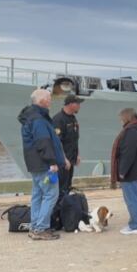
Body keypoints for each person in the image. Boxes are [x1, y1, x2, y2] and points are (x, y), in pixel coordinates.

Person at [18, 89, 69, 241]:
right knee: (51, 194)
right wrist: (52, 162)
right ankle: (40, 229)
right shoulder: (39, 120)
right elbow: (44, 142)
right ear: (42, 101)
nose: (51, 100)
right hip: (44, 164)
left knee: (38, 195)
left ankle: (35, 226)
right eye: (48, 98)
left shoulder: (32, 117)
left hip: (35, 164)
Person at [111, 108, 137, 235]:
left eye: (121, 118)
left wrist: (122, 171)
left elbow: (128, 153)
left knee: (132, 198)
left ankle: (135, 225)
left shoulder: (130, 132)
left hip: (132, 171)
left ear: (127, 117)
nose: (120, 120)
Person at [52, 94, 84, 196]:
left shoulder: (73, 118)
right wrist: (64, 159)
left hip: (71, 159)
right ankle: (58, 209)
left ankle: (66, 208)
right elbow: (57, 142)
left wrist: (77, 154)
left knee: (67, 186)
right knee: (61, 187)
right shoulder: (58, 119)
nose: (79, 106)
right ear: (70, 104)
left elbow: (75, 139)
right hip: (62, 162)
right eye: (77, 103)